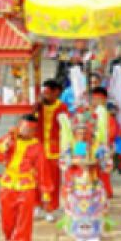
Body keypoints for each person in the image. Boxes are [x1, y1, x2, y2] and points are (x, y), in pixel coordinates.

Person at [0, 115, 44, 241]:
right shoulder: (9, 138)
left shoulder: (37, 146)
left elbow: (42, 169)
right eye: (24, 128)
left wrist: (45, 191)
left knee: (24, 219)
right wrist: (5, 146)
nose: (26, 131)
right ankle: (12, 236)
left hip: (26, 186)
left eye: (30, 129)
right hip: (8, 184)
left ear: (34, 131)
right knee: (7, 217)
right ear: (19, 127)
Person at [61, 143, 109, 241]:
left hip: (93, 205)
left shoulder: (96, 173)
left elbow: (107, 168)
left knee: (93, 231)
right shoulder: (73, 173)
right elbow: (67, 186)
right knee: (80, 230)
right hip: (79, 205)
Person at [37, 80, 67, 219]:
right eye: (44, 92)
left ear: (56, 92)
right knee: (37, 178)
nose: (45, 95)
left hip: (54, 150)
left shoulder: (62, 107)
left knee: (53, 180)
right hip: (39, 148)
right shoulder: (38, 106)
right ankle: (37, 204)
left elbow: (66, 129)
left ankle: (51, 208)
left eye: (48, 93)